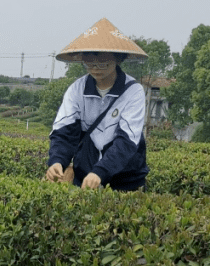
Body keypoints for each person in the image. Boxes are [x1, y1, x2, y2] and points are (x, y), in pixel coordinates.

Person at [45, 17, 149, 191]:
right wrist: (57, 161)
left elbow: (127, 141)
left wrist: (100, 171)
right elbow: (65, 131)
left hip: (125, 180)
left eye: (102, 62)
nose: (95, 68)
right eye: (90, 62)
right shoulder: (77, 89)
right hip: (85, 177)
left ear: (118, 59)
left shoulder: (133, 91)